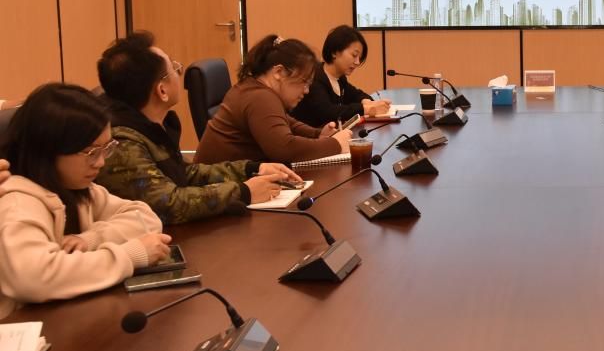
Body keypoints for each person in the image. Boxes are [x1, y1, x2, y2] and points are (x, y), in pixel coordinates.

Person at [94, 32, 304, 225]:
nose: (179, 72)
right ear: (162, 90)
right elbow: (167, 205)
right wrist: (243, 192)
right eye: (174, 68)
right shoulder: (122, 143)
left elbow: (184, 174)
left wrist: (251, 169)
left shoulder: (150, 125)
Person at [0, 84, 170, 319]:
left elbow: (145, 218)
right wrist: (130, 255)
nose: (100, 162)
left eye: (106, 148)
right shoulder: (18, 203)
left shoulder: (75, 189)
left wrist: (90, 239)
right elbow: (33, 278)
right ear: (48, 150)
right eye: (91, 152)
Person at [195, 35, 351, 164]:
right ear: (279, 72)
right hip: (216, 186)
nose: (306, 90)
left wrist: (317, 134)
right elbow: (284, 148)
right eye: (304, 81)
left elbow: (286, 121)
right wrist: (335, 144)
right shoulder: (259, 97)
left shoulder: (254, 87)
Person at [292, 25, 391, 128]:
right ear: (335, 52)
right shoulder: (315, 77)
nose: (357, 62)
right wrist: (365, 109)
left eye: (359, 58)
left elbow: (356, 94)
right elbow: (327, 112)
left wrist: (367, 102)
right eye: (354, 55)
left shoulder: (340, 79)